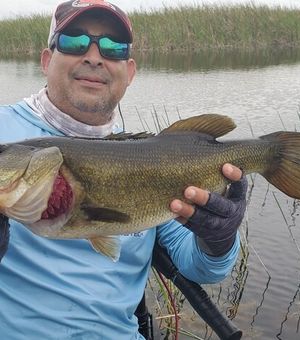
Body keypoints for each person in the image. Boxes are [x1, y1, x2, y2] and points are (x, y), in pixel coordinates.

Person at [0, 1, 247, 339]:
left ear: (130, 72)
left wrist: (219, 239)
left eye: (113, 47)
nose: (94, 56)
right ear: (46, 60)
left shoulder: (152, 157)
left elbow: (201, 267)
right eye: (74, 40)